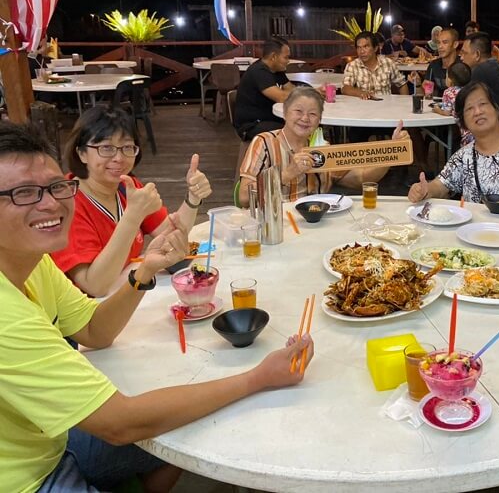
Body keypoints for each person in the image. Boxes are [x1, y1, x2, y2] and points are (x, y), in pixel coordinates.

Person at [0, 120, 314, 493]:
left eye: (54, 187)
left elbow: (94, 331)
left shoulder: (33, 262)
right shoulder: (8, 316)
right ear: (82, 156)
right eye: (23, 193)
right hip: (27, 478)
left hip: (52, 440)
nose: (50, 203)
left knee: (193, 424)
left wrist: (143, 272)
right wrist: (257, 379)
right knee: (198, 421)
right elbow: (120, 423)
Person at [50, 106, 213, 298]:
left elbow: (171, 235)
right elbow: (94, 286)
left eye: (127, 147)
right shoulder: (67, 202)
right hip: (84, 314)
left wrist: (193, 197)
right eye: (106, 148)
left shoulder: (126, 187)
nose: (118, 158)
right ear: (82, 153)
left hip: (124, 294)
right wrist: (133, 217)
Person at [238, 87, 409, 205]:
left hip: (316, 222)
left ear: (319, 120)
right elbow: (244, 196)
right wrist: (287, 173)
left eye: (313, 114)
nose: (305, 118)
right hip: (275, 225)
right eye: (298, 111)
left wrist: (393, 151)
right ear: (284, 113)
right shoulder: (264, 142)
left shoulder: (322, 148)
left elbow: (360, 178)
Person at [407, 82, 499, 218]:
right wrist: (425, 189)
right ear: (463, 122)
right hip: (482, 235)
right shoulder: (463, 156)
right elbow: (441, 185)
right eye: (469, 108)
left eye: (483, 104)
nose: (477, 112)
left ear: (496, 109)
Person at [233, 37, 295, 141]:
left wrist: (308, 94)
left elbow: (291, 89)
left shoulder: (276, 70)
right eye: (286, 57)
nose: (288, 61)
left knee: (301, 124)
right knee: (295, 130)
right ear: (273, 57)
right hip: (251, 125)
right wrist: (311, 94)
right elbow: (282, 97)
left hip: (268, 118)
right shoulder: (259, 71)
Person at [342, 31, 409, 99]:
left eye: (366, 46)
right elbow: (345, 88)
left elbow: (402, 84)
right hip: (362, 106)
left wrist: (404, 103)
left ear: (375, 48)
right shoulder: (352, 66)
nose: (362, 51)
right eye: (359, 48)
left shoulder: (388, 63)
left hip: (386, 106)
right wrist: (360, 93)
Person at [423, 27, 459, 97]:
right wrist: (418, 85)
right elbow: (427, 95)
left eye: (445, 42)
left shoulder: (463, 65)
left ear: (455, 44)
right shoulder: (433, 65)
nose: (440, 46)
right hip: (436, 105)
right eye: (438, 43)